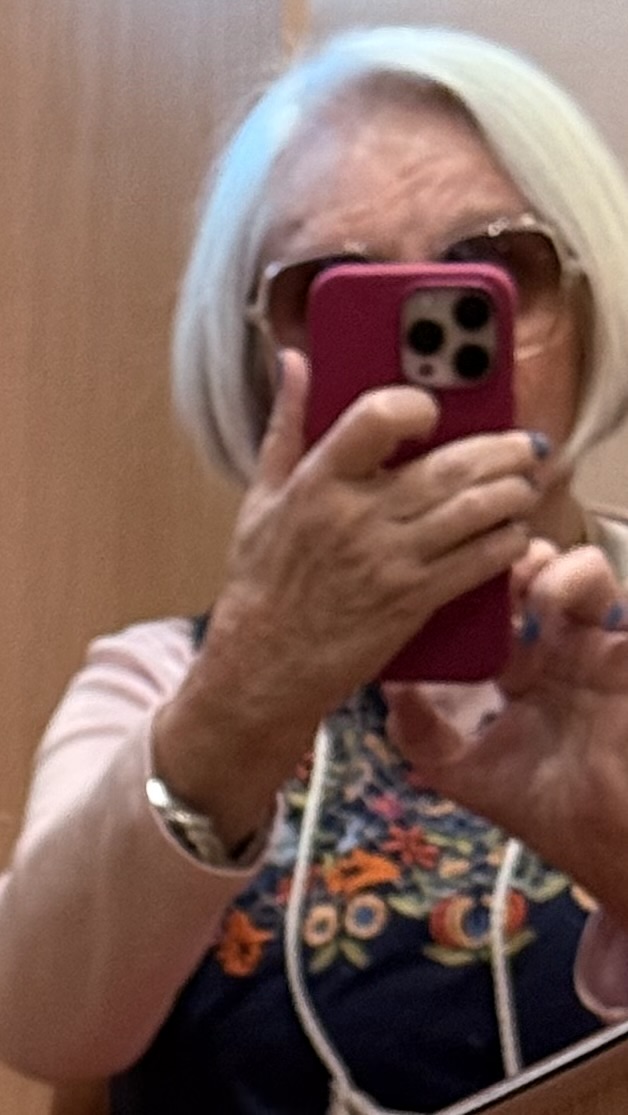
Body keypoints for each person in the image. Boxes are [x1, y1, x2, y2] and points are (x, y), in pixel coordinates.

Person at [3, 23, 628, 1115]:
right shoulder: (162, 680)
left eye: (494, 270)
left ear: (583, 307)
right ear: (255, 361)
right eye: (333, 291)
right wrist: (242, 695)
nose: (420, 363)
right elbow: (40, 1020)